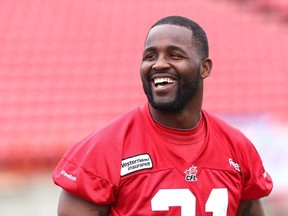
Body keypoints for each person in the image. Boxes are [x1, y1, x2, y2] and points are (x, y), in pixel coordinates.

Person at [53, 16, 273, 215]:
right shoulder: (103, 150)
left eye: (174, 55)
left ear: (204, 68)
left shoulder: (237, 147)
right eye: (150, 56)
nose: (158, 64)